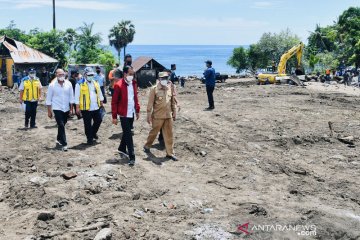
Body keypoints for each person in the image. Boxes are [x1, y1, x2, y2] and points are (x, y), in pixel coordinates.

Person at [144, 71, 178, 161]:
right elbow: (150, 103)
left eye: (166, 78)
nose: (164, 80)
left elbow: (172, 102)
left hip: (168, 116)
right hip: (158, 116)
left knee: (169, 135)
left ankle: (170, 153)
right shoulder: (154, 89)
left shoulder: (169, 88)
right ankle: (147, 145)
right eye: (162, 78)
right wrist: (148, 115)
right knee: (154, 132)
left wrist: (174, 112)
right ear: (159, 79)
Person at [111, 66, 140, 166]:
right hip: (123, 114)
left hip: (131, 112)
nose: (132, 76)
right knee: (128, 134)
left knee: (126, 132)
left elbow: (135, 98)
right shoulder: (118, 85)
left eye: (133, 74)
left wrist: (137, 110)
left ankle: (122, 148)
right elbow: (114, 102)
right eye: (130, 74)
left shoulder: (134, 83)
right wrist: (114, 116)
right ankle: (132, 157)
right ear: (125, 74)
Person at [46, 69, 74, 151]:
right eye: (59, 74)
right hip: (57, 108)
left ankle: (58, 138)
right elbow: (48, 99)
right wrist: (49, 111)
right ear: (56, 75)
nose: (61, 76)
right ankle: (64, 144)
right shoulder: (52, 85)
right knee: (61, 124)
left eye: (63, 74)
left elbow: (71, 97)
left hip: (66, 108)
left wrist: (71, 109)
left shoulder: (69, 84)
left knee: (63, 124)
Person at [75, 67, 104, 145]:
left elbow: (99, 93)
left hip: (96, 106)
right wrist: (77, 108)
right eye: (89, 75)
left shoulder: (95, 82)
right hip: (85, 108)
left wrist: (101, 102)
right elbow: (77, 96)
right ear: (85, 75)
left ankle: (93, 133)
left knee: (99, 120)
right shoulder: (79, 84)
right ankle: (89, 138)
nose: (90, 76)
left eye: (92, 75)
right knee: (87, 124)